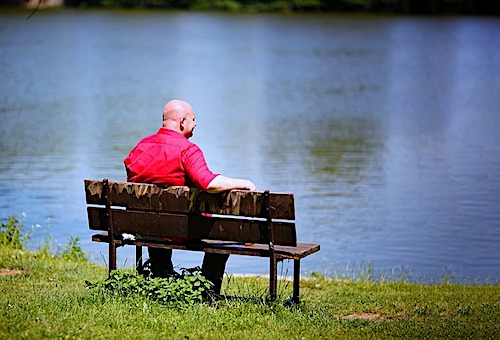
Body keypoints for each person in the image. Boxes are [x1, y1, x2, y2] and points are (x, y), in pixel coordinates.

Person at [124, 99, 256, 294]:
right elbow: (208, 183)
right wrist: (245, 183)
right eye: (194, 120)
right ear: (183, 121)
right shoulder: (187, 149)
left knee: (157, 222)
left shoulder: (140, 147)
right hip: (182, 230)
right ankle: (208, 291)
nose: (195, 124)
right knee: (222, 234)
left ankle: (162, 280)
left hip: (146, 227)